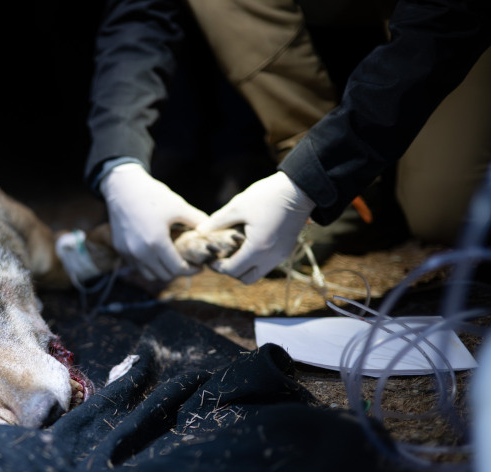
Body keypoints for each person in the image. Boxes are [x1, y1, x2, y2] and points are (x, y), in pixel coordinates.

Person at [82, 0, 491, 284]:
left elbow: (449, 20)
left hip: (445, 19)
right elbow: (139, 14)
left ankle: (325, 176)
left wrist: (308, 180)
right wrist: (119, 166)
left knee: (444, 213)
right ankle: (343, 193)